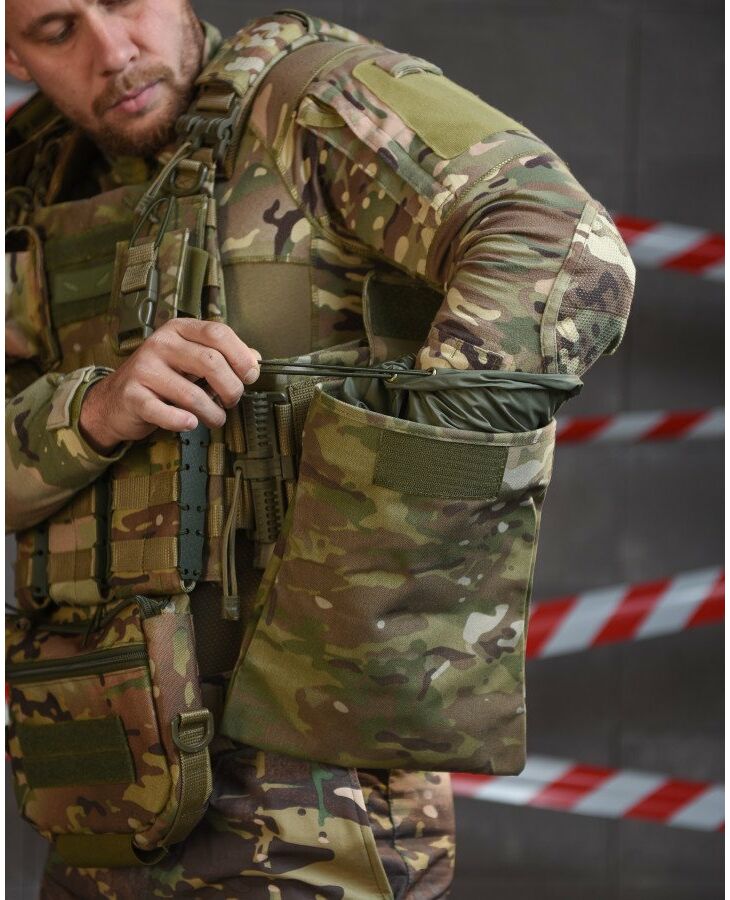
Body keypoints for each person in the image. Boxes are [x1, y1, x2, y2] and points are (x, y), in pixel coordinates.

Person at [5, 2, 635, 897]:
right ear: (10, 50)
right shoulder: (27, 187)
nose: (112, 51)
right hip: (101, 795)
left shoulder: (311, 104)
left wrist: (391, 533)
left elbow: (566, 246)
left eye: (123, 2)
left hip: (311, 808)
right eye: (57, 29)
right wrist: (95, 411)